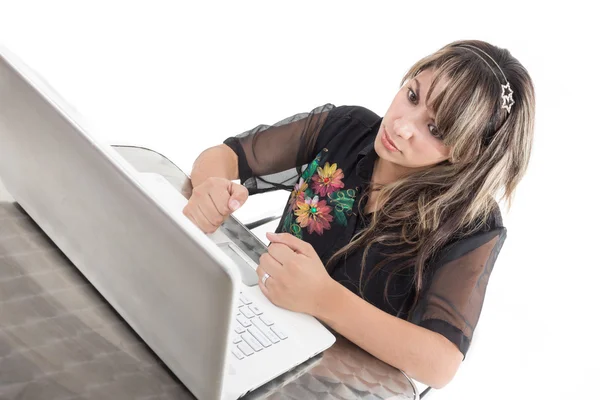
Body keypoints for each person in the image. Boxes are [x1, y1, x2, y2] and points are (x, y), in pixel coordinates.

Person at [184, 39, 535, 389]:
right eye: (412, 96)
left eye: (436, 130)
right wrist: (210, 186)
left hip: (334, 385)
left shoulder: (471, 223)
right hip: (253, 325)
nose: (401, 126)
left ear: (469, 152)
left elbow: (439, 363)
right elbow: (226, 156)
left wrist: (323, 298)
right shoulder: (346, 129)